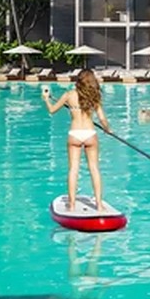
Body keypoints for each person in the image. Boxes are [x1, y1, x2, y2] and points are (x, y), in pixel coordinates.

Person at [43, 69, 114, 214]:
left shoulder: (69, 95)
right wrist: (107, 129)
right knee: (94, 169)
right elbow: (102, 118)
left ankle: (72, 205)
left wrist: (46, 98)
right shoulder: (94, 97)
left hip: (75, 134)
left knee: (73, 170)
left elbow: (51, 110)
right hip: (90, 134)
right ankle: (99, 205)